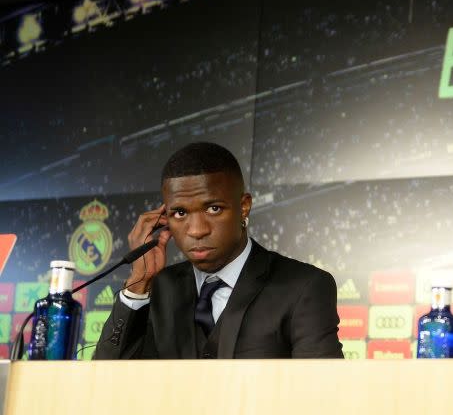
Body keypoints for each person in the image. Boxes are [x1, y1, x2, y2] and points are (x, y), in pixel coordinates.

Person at [95, 142, 343, 359]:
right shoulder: (156, 289)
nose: (196, 230)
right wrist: (139, 285)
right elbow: (104, 382)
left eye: (213, 209)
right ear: (165, 218)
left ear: (244, 207)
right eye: (180, 213)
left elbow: (320, 395)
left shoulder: (303, 287)